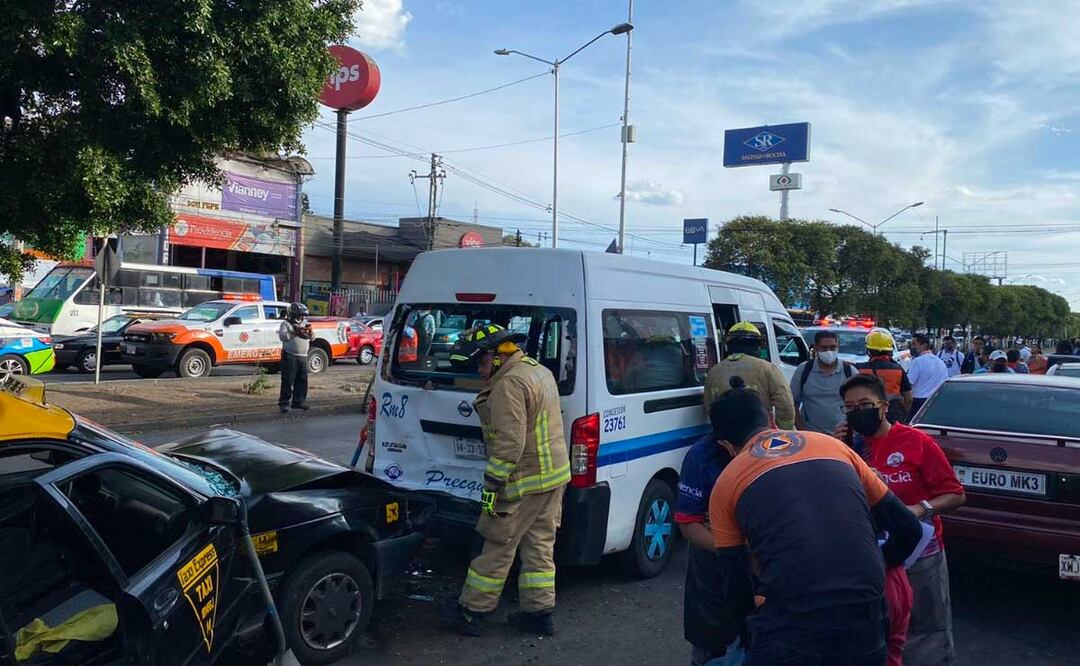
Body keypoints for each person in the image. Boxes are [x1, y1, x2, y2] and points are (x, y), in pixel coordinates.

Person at [708, 376, 922, 665]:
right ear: (770, 419)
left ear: (725, 444)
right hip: (864, 618)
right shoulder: (833, 447)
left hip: (790, 625)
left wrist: (749, 635)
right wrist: (869, 567)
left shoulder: (727, 482)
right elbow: (908, 527)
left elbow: (735, 582)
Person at [445, 324, 570, 638]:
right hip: (552, 478)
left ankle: (473, 612)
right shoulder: (536, 370)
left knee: (498, 544)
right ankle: (539, 614)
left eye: (480, 362)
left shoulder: (508, 385)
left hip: (522, 482)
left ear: (497, 357)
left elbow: (509, 443)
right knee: (539, 545)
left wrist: (492, 483)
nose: (478, 369)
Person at [835, 374, 966, 666]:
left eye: (865, 405)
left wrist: (917, 510)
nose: (858, 412)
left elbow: (955, 495)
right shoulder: (847, 448)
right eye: (850, 408)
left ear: (883, 406)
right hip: (871, 557)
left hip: (919, 554)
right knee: (881, 627)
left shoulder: (916, 442)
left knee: (926, 630)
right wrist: (838, 450)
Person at [676, 398, 749, 666]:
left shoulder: (774, 447)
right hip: (713, 566)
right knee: (709, 645)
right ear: (723, 441)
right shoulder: (701, 457)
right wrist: (732, 549)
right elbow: (688, 523)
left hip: (762, 567)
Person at [704, 322, 795, 429]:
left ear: (729, 345)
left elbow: (709, 406)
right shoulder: (767, 368)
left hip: (727, 437)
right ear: (757, 346)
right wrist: (786, 430)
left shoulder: (714, 371)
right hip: (760, 434)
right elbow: (785, 405)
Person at [790, 329, 854, 434]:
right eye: (824, 348)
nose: (829, 351)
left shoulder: (849, 372)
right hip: (812, 436)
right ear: (816, 348)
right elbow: (792, 403)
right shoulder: (804, 370)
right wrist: (802, 429)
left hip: (842, 436)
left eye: (833, 347)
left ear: (838, 347)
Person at [856, 329, 913, 423]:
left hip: (866, 415)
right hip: (892, 416)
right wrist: (902, 415)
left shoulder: (859, 369)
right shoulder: (898, 370)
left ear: (869, 350)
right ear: (889, 351)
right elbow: (909, 399)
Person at [277, 302, 312, 413]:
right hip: (290, 355)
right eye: (299, 315)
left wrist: (310, 332)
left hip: (303, 356)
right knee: (288, 380)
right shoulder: (286, 324)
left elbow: (312, 338)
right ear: (293, 314)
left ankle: (299, 402)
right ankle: (284, 403)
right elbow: (284, 337)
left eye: (303, 315)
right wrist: (295, 332)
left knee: (302, 380)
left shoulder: (305, 323)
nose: (301, 318)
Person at [907, 334, 949, 418]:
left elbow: (909, 385)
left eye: (915, 344)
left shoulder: (917, 362)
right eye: (911, 345)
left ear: (924, 345)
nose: (912, 347)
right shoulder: (941, 363)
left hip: (919, 403)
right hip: (936, 403)